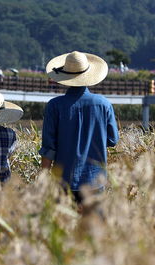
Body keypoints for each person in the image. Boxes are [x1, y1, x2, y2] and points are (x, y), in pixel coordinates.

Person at [39, 51, 119, 204]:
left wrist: (43, 178)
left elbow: (49, 147)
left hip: (63, 179)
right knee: (92, 225)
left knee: (63, 225)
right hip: (95, 179)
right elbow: (112, 140)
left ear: (65, 78)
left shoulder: (54, 106)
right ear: (89, 75)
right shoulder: (104, 104)